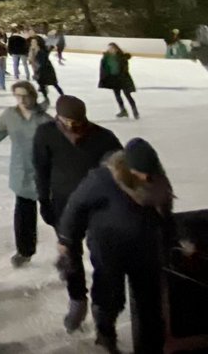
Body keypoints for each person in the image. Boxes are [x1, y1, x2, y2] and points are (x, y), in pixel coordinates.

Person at [59, 138, 179, 354]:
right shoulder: (102, 179)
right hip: (108, 249)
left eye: (149, 171)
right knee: (109, 295)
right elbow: (75, 207)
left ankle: (150, 347)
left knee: (150, 303)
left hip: (146, 248)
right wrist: (67, 240)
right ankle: (106, 335)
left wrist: (172, 240)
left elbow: (165, 213)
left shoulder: (157, 178)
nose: (145, 177)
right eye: (140, 172)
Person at [32, 95, 123, 333]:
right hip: (63, 206)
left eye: (77, 121)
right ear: (58, 117)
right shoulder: (46, 134)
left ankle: (102, 311)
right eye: (67, 121)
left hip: (99, 207)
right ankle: (77, 302)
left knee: (102, 257)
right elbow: (40, 169)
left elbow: (121, 173)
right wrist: (44, 200)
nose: (73, 127)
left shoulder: (104, 137)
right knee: (70, 255)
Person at [0, 81, 52, 267]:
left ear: (33, 96)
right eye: (17, 96)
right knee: (23, 217)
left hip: (45, 174)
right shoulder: (9, 116)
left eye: (25, 96)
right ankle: (24, 251)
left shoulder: (46, 120)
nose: (21, 99)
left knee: (52, 214)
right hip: (21, 173)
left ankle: (68, 246)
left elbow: (60, 147)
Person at [99, 43, 139, 119]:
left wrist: (122, 76)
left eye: (112, 48)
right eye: (109, 48)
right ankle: (123, 111)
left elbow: (125, 69)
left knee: (128, 95)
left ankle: (135, 111)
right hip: (114, 79)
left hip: (123, 79)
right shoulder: (106, 58)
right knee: (118, 96)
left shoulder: (122, 57)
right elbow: (103, 69)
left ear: (116, 49)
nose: (110, 50)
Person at [28, 34, 62, 105]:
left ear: (38, 42)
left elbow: (50, 47)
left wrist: (52, 38)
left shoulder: (43, 50)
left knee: (54, 84)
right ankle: (46, 99)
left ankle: (63, 96)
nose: (32, 43)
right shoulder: (32, 50)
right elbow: (32, 61)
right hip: (39, 70)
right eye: (32, 42)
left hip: (47, 69)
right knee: (41, 85)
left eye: (34, 42)